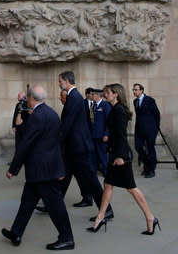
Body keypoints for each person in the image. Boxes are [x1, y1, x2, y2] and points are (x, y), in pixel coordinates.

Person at [2, 85, 74, 250]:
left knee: (56, 207)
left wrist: (13, 168)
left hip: (43, 171)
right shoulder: (52, 114)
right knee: (27, 202)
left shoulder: (38, 116)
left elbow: (26, 144)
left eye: (28, 97)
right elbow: (58, 144)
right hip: (44, 169)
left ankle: (67, 238)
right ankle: (16, 232)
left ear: (31, 98)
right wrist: (60, 168)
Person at [88, 83, 160, 235]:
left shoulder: (119, 111)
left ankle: (150, 218)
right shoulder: (115, 109)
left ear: (115, 94)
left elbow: (121, 135)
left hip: (121, 156)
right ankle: (100, 217)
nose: (104, 94)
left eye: (107, 92)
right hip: (115, 153)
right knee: (108, 185)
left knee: (131, 188)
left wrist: (119, 156)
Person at [59, 71, 113, 219]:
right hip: (74, 147)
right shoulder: (75, 97)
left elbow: (68, 123)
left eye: (60, 81)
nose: (59, 84)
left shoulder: (74, 97)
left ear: (66, 81)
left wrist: (56, 140)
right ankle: (54, 203)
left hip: (79, 147)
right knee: (64, 176)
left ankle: (106, 210)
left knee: (91, 179)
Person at [132, 83, 160, 178]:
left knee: (150, 148)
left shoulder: (150, 100)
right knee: (138, 147)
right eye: (133, 90)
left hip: (150, 129)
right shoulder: (135, 101)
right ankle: (148, 165)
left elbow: (157, 114)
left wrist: (155, 128)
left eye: (136, 89)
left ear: (141, 90)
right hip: (139, 129)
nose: (134, 91)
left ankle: (151, 170)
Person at [90, 88, 111, 175]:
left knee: (102, 153)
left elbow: (108, 121)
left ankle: (106, 170)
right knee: (94, 154)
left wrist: (106, 134)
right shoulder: (94, 106)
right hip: (93, 134)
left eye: (93, 94)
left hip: (101, 134)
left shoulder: (105, 105)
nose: (92, 96)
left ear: (98, 95)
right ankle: (95, 169)